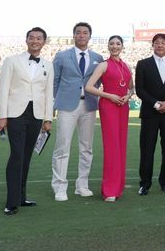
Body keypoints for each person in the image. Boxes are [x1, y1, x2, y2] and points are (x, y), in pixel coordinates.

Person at [0, 27, 53, 215]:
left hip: (36, 115)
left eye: (39, 38)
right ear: (26, 40)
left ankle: (21, 197)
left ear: (44, 42)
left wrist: (47, 118)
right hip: (15, 114)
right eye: (32, 37)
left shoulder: (48, 65)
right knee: (17, 156)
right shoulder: (11, 61)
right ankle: (11, 202)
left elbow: (48, 94)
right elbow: (3, 89)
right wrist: (3, 116)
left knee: (26, 157)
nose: (35, 41)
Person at [51, 22, 104, 202]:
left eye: (85, 33)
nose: (82, 35)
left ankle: (82, 185)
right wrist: (54, 103)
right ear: (74, 35)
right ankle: (59, 186)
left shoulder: (98, 57)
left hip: (89, 106)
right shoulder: (61, 56)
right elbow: (55, 82)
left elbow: (98, 83)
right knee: (62, 147)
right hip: (67, 106)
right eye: (78, 33)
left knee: (86, 148)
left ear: (90, 36)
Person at [85, 35, 133, 202]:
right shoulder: (103, 65)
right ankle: (109, 190)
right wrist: (109, 96)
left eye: (118, 43)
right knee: (112, 146)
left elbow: (131, 88)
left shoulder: (126, 66)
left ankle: (118, 187)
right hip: (109, 107)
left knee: (121, 146)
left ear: (122, 46)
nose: (114, 46)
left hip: (123, 107)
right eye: (111, 43)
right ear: (108, 46)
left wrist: (128, 96)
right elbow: (89, 87)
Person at [135, 33, 165, 196]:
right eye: (157, 42)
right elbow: (140, 89)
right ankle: (145, 183)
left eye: (163, 43)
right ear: (153, 45)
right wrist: (156, 104)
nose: (160, 45)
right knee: (147, 149)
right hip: (150, 113)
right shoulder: (143, 64)